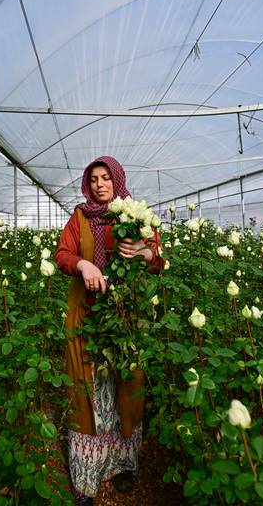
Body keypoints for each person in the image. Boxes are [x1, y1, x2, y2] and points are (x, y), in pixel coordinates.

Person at [55, 156, 165, 506]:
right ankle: (86, 479)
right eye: (93, 179)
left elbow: (159, 258)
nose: (99, 184)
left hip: (126, 317)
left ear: (117, 180)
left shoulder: (132, 216)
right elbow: (61, 254)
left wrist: (146, 252)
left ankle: (122, 466)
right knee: (88, 392)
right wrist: (82, 262)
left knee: (126, 386)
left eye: (105, 178)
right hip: (87, 316)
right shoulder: (79, 218)